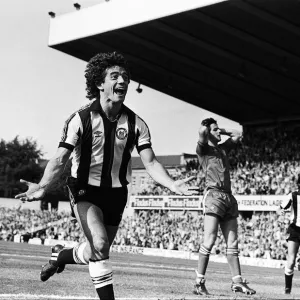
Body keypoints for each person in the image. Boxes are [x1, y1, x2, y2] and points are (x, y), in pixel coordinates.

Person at [15, 51, 197, 300]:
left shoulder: (136, 124)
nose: (122, 81)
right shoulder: (80, 119)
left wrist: (172, 184)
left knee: (94, 250)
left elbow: (151, 162)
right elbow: (60, 159)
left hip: (116, 194)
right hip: (84, 190)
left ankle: (60, 255)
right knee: (100, 246)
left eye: (125, 76)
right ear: (100, 84)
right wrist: (43, 185)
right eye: (115, 76)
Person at [194, 117, 256, 295]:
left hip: (228, 197)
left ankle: (237, 282)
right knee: (210, 239)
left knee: (233, 242)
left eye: (218, 129)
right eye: (215, 130)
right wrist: (209, 129)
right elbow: (201, 132)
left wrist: (220, 130)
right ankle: (199, 282)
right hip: (213, 195)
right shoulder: (204, 149)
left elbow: (238, 134)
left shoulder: (222, 149)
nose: (218, 132)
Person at [278, 187, 300, 294]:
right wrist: (282, 213)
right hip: (295, 230)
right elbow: (280, 208)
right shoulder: (293, 195)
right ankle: (287, 289)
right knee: (291, 261)